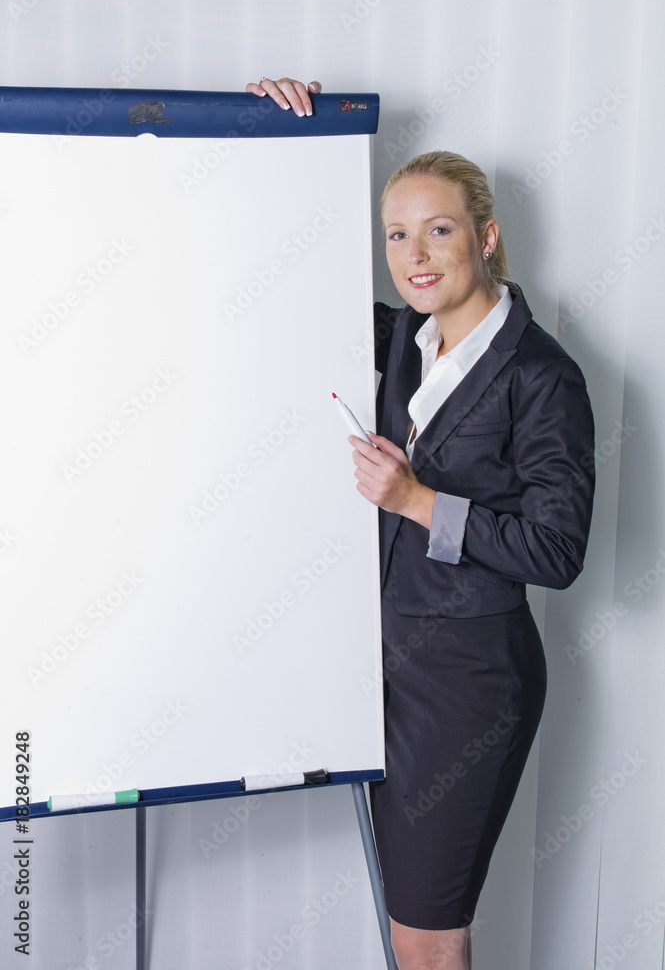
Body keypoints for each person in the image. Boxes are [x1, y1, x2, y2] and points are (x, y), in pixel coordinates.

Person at [246, 77, 596, 970]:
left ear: (486, 237)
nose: (414, 255)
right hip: (381, 670)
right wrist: (278, 126)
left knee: (426, 935)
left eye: (437, 229)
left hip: (469, 684)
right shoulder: (405, 335)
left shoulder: (541, 375)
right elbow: (291, 288)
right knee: (407, 921)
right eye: (395, 235)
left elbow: (557, 550)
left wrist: (415, 500)